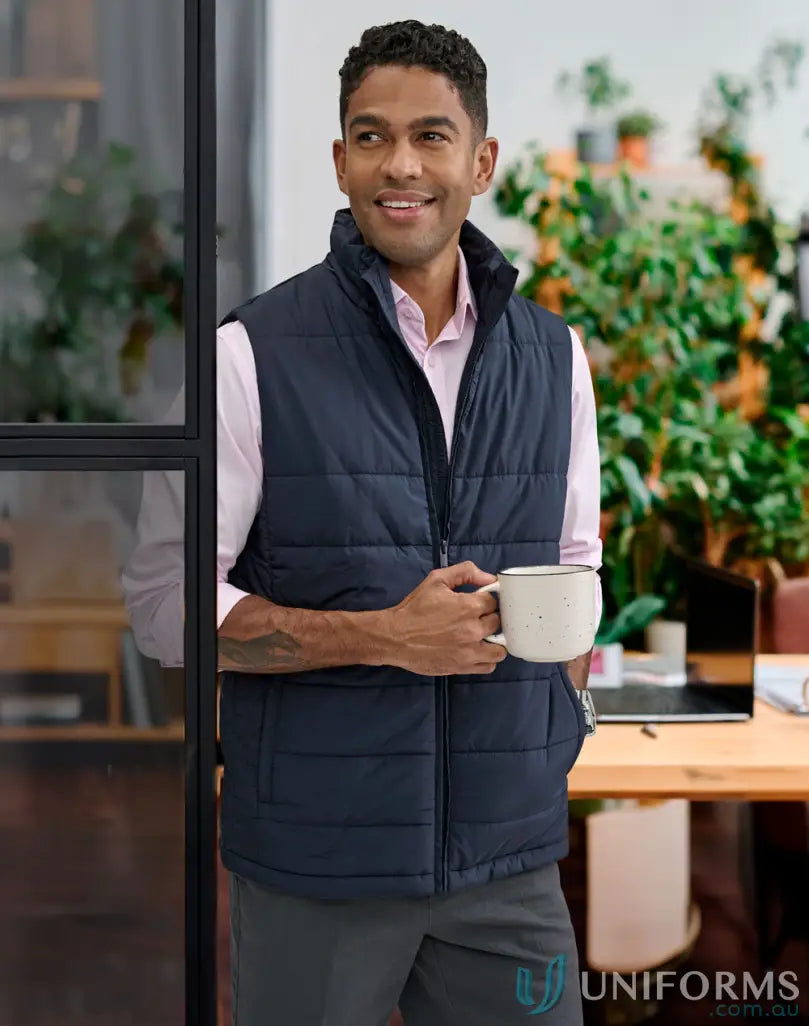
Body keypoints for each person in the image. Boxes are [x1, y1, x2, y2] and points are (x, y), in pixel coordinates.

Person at [124, 18, 602, 1026]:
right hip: (315, 862)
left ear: (481, 162)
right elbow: (168, 608)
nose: (401, 164)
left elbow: (573, 570)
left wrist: (555, 735)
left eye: (431, 136)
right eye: (371, 135)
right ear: (339, 158)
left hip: (507, 867)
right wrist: (388, 638)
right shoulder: (245, 358)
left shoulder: (554, 360)